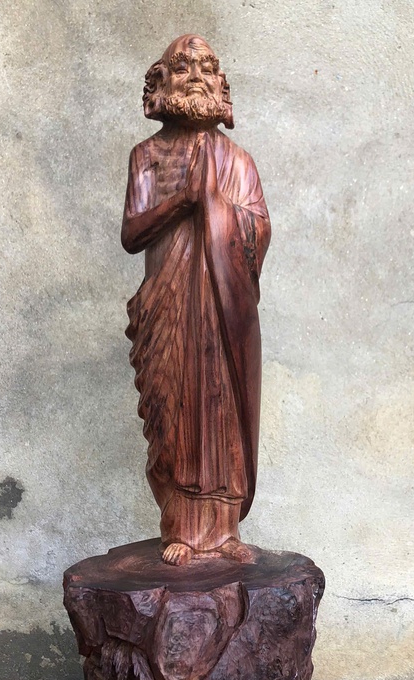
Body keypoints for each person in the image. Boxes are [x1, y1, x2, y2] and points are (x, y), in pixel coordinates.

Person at [121, 35, 271, 566]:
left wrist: (216, 207)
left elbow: (259, 229)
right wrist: (184, 199)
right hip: (168, 309)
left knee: (221, 411)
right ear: (161, 82)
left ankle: (224, 531)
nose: (197, 77)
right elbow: (132, 233)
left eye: (207, 68)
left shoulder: (238, 161)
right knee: (174, 412)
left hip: (224, 311)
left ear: (221, 86)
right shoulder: (147, 155)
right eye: (184, 67)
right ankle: (181, 527)